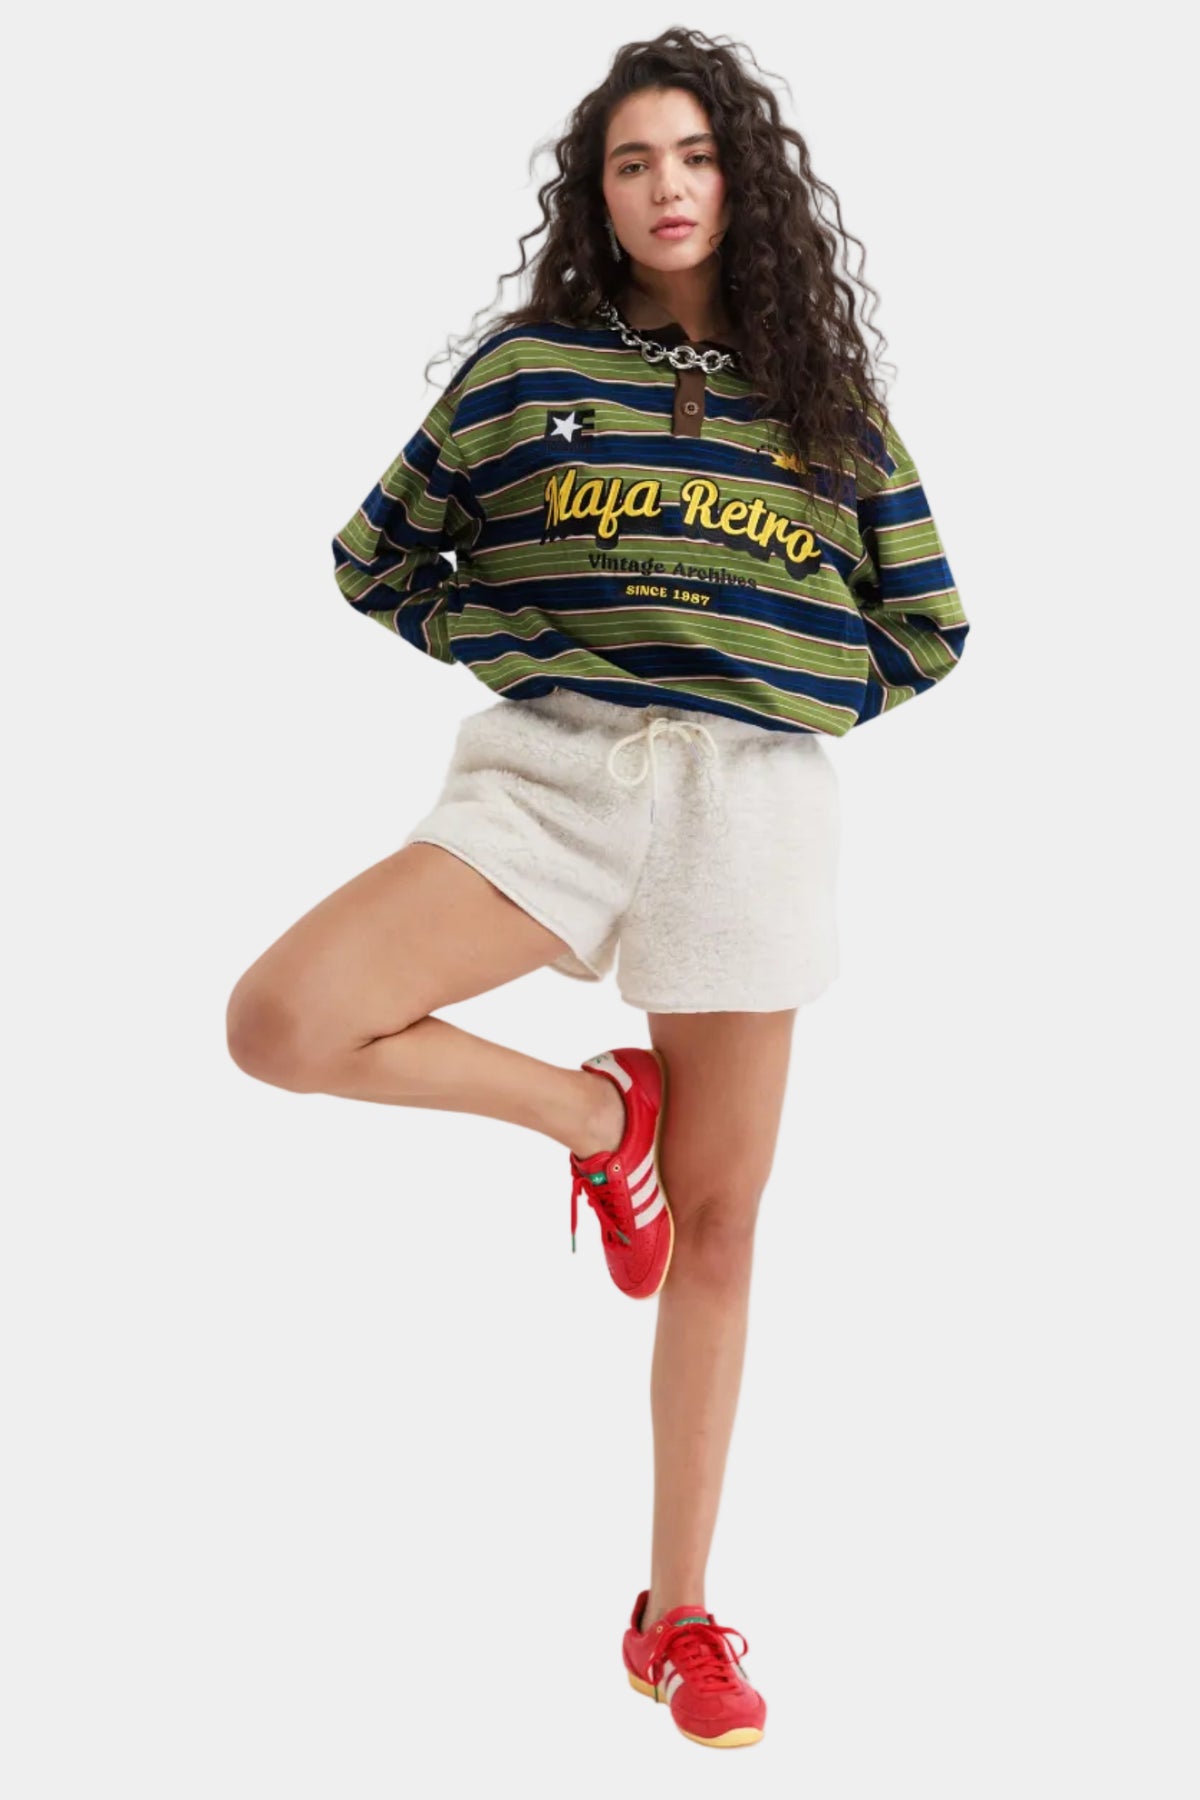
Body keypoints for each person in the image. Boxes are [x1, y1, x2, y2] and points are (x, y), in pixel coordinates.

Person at [226, 25, 968, 1752]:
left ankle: (676, 1618)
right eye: (634, 162)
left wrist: (780, 685)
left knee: (722, 1225)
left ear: (743, 181)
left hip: (749, 807)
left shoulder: (824, 400)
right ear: (598, 193)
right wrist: (511, 638)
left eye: (695, 156)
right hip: (554, 776)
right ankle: (593, 1119)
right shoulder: (523, 375)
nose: (667, 187)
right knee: (285, 1021)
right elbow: (375, 556)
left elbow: (927, 623)